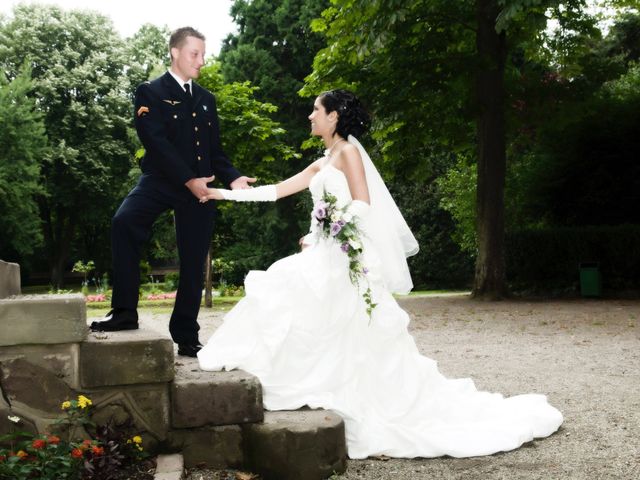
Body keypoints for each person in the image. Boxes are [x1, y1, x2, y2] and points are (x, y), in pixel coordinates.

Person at [197, 89, 563, 459]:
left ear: (334, 116)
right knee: (287, 292)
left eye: (315, 111)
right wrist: (220, 195)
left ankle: (357, 395)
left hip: (339, 256)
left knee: (324, 313)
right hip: (324, 253)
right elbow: (276, 191)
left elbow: (361, 204)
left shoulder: (349, 154)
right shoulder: (323, 161)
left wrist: (328, 231)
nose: (310, 117)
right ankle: (313, 383)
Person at [90, 27, 255, 358]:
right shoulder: (150, 92)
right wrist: (187, 179)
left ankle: (186, 335)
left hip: (199, 188)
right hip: (161, 180)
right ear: (175, 53)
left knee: (194, 260)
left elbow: (215, 152)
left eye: (204, 55)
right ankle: (124, 313)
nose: (201, 61)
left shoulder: (206, 100)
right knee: (124, 222)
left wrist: (233, 177)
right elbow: (156, 142)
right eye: (195, 54)